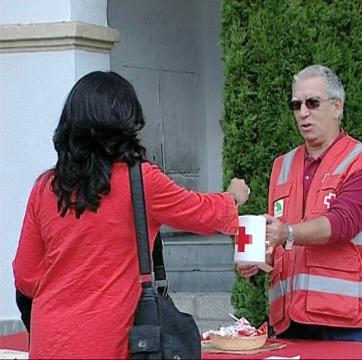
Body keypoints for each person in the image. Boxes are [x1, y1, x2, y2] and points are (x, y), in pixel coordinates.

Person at [13, 71, 250, 359]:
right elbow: (203, 213)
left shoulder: (45, 188)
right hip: (112, 341)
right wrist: (234, 196)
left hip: (50, 340)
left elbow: (25, 276)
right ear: (125, 124)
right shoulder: (141, 180)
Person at [237, 64, 362, 343]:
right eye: (296, 105)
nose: (303, 112)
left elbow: (343, 223)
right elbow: (284, 240)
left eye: (312, 103)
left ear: (337, 107)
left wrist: (286, 233)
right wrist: (261, 259)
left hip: (349, 324)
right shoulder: (282, 165)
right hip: (292, 321)